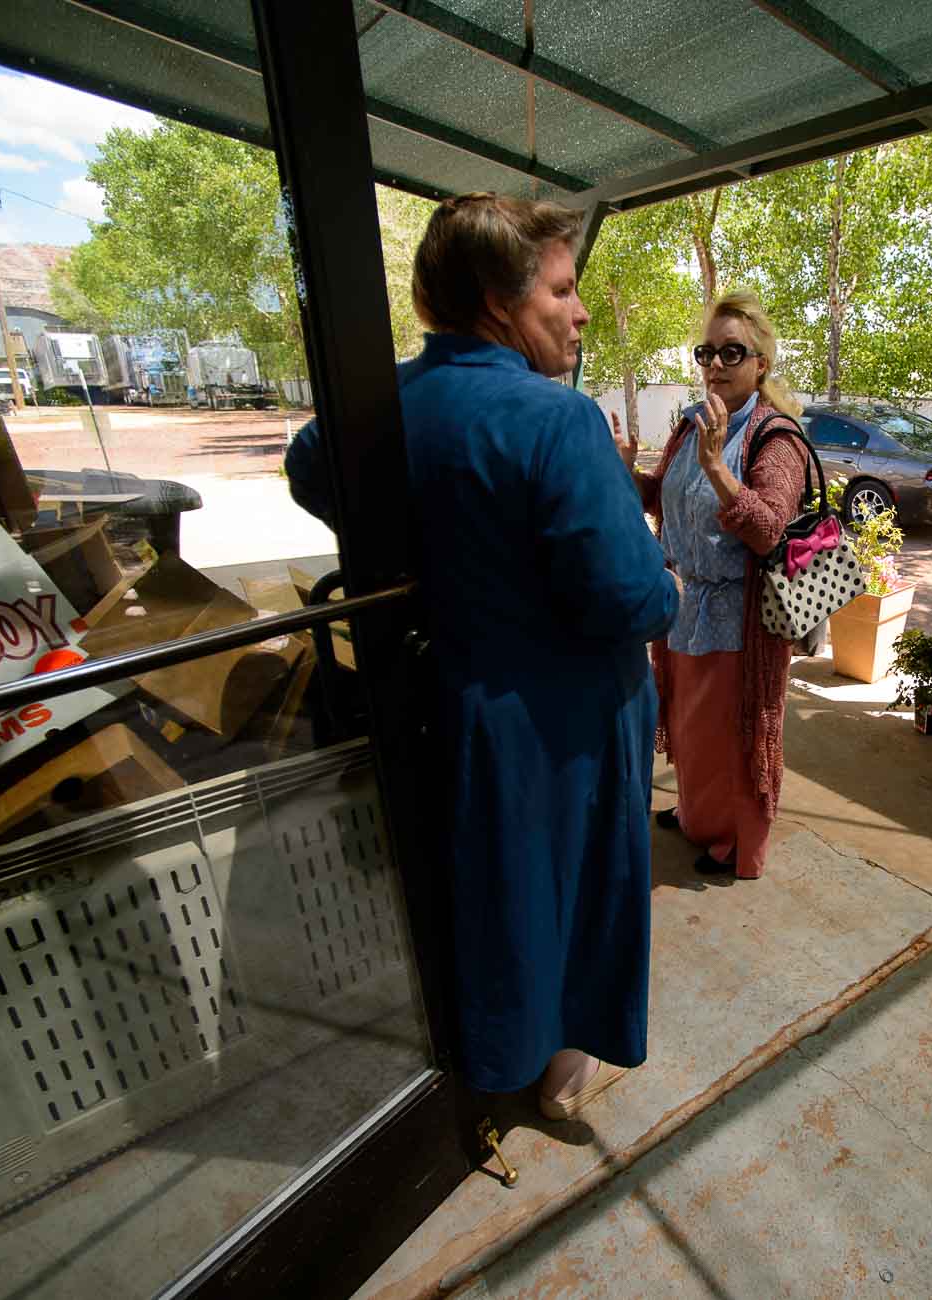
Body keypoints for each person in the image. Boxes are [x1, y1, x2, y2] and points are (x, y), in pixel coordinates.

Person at [296, 193, 678, 1121]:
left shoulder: (377, 412)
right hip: (567, 716)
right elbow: (631, 598)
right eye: (561, 289)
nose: (578, 311)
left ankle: (492, 1054)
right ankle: (559, 1071)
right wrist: (664, 582)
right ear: (501, 304)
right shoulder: (556, 420)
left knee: (491, 890)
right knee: (577, 890)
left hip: (449, 696)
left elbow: (308, 467)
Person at [623, 290, 809, 879]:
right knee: (688, 725)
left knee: (731, 735)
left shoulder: (776, 439)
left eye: (733, 352)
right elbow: (658, 499)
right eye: (708, 352)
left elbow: (767, 528)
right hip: (684, 608)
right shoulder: (693, 426)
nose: (717, 365)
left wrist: (718, 469)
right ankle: (698, 812)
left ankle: (733, 840)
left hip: (738, 620)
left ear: (761, 364)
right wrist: (620, 468)